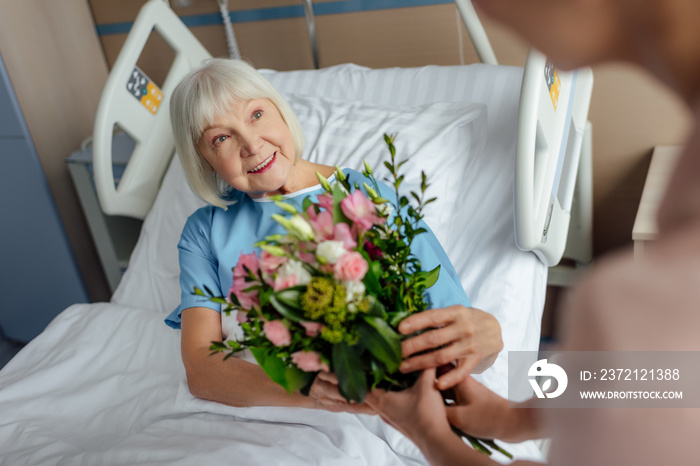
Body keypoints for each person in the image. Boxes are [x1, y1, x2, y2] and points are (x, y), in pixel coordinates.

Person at [366, 0, 700, 464]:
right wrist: (515, 418)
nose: (486, 11)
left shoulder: (627, 309)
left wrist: (430, 438)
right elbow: (674, 375)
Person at [163, 58, 503, 414]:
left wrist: (488, 343)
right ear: (204, 160)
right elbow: (202, 370)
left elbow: (458, 339)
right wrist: (312, 392)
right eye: (220, 138)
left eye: (256, 115)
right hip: (256, 410)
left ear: (280, 111)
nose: (251, 144)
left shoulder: (364, 199)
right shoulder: (204, 232)